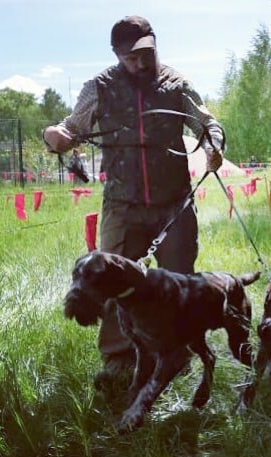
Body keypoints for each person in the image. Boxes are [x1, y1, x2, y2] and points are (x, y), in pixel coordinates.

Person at [43, 15, 224, 390]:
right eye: (131, 58)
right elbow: (72, 129)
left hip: (174, 203)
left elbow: (207, 124)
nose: (141, 63)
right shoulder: (99, 87)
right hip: (121, 206)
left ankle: (176, 353)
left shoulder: (178, 84)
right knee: (109, 282)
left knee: (178, 283)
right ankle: (118, 359)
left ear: (156, 45)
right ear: (117, 54)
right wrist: (54, 136)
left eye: (147, 53)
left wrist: (213, 147)